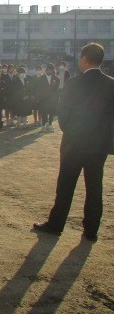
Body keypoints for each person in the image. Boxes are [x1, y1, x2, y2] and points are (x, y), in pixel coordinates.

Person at [34, 43, 114, 242]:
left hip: (74, 144)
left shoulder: (73, 83)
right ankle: (91, 230)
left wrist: (70, 131)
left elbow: (63, 114)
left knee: (66, 185)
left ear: (84, 59)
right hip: (99, 146)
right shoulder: (111, 84)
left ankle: (56, 225)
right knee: (94, 187)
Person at [38, 63, 60, 132]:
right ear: (46, 70)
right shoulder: (41, 78)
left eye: (51, 69)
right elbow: (39, 89)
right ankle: (44, 125)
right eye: (48, 69)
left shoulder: (56, 79)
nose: (49, 71)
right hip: (44, 99)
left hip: (52, 99)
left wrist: (57, 98)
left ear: (53, 70)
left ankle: (50, 124)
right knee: (44, 112)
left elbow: (57, 90)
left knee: (51, 112)